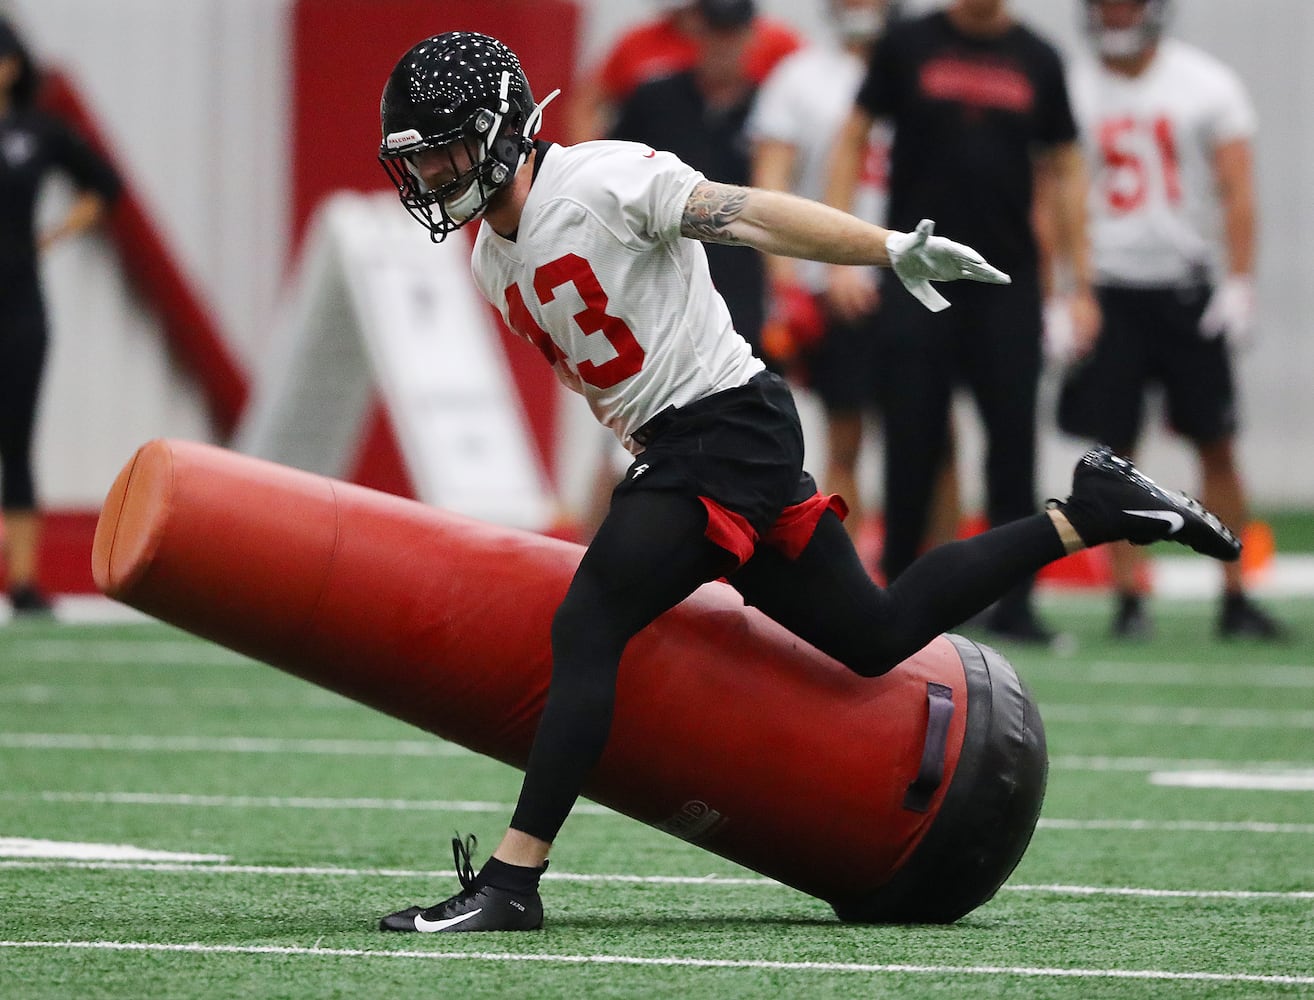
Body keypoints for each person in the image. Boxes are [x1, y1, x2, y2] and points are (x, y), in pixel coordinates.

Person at [372, 30, 1240, 933]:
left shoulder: (600, 179)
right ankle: (1092, 510)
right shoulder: (489, 259)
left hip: (721, 428)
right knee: (874, 635)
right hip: (692, 440)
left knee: (589, 621)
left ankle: (512, 884)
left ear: (503, 128)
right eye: (420, 161)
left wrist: (887, 246)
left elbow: (751, 213)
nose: (432, 177)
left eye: (444, 152)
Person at [825, 0, 1100, 643]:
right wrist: (842, 255)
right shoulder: (907, 43)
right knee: (911, 434)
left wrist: (1079, 286)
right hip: (918, 273)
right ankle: (896, 591)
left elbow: (1066, 169)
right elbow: (854, 136)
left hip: (1005, 281)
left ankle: (1016, 602)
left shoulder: (1040, 58)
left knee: (1012, 442)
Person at [1059, 0, 1285, 641]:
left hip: (1186, 289)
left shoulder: (1206, 83)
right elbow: (1054, 194)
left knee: (1215, 442)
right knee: (1110, 454)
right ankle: (1129, 599)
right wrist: (1063, 292)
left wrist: (1239, 283)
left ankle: (1236, 593)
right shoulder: (1074, 86)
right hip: (1107, 289)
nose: (1117, 13)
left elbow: (1237, 187)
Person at [748, 0, 961, 559]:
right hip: (837, 276)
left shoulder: (930, 63)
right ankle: (853, 573)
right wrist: (789, 281)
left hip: (919, 269)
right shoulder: (801, 77)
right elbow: (771, 183)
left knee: (936, 436)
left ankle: (948, 571)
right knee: (846, 433)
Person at [0, 17, 120, 615]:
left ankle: (21, 581)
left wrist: (55, 235)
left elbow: (103, 185)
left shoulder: (36, 132)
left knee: (16, 442)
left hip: (18, 303)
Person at [564, 0, 801, 144]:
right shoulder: (645, 67)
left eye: (732, 36)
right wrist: (590, 163)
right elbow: (587, 103)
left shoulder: (781, 47)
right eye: (715, 33)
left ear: (751, 36)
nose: (722, 45)